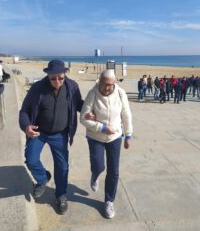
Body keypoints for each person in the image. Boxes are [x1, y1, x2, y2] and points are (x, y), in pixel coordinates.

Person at [19, 59, 83, 214]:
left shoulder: (72, 87)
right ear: (47, 75)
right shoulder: (37, 88)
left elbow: (80, 104)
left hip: (60, 134)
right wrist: (26, 126)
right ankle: (42, 179)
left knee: (62, 167)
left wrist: (92, 111)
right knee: (31, 158)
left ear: (65, 74)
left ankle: (61, 195)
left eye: (60, 78)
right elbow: (24, 111)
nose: (57, 81)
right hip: (39, 131)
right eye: (53, 78)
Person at [80, 70, 133, 219]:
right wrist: (102, 127)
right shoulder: (93, 93)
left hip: (115, 137)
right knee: (98, 166)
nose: (107, 88)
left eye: (110, 84)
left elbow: (126, 114)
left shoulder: (121, 94)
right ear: (100, 81)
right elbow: (83, 119)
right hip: (95, 137)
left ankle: (109, 201)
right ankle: (95, 175)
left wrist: (128, 135)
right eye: (104, 84)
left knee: (114, 171)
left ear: (114, 82)